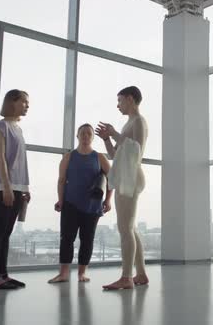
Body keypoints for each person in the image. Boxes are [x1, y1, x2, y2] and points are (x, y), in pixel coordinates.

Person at [96, 86, 149, 290]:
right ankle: (141, 274)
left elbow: (136, 151)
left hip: (131, 178)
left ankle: (127, 277)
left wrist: (115, 133)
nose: (118, 105)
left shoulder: (139, 121)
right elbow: (114, 155)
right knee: (130, 228)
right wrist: (107, 138)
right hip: (126, 177)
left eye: (120, 101)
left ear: (129, 98)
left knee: (124, 228)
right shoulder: (129, 123)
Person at [48, 124, 112, 284]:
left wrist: (108, 200)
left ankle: (82, 273)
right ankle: (63, 273)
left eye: (88, 133)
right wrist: (60, 200)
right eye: (82, 133)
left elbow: (112, 179)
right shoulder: (69, 157)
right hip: (70, 203)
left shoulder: (99, 157)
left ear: (92, 137)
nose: (85, 136)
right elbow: (61, 180)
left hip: (92, 206)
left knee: (87, 239)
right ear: (77, 136)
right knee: (67, 238)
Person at [0, 89, 31, 289]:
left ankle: (3, 275)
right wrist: (6, 187)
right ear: (12, 102)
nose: (27, 105)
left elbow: (20, 161)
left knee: (6, 233)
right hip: (4, 186)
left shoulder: (18, 129)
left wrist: (25, 188)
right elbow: (0, 158)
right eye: (24, 102)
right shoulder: (2, 126)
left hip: (17, 186)